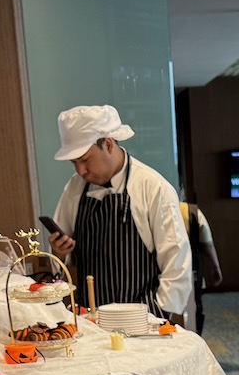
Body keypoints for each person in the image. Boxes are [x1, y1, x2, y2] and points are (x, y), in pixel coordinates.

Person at [48, 105, 191, 323]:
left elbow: (177, 263)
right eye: (74, 163)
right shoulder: (75, 188)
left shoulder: (153, 187)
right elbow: (60, 260)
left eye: (85, 160)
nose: (80, 171)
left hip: (143, 322)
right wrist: (58, 252)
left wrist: (158, 314)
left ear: (108, 144)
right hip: (91, 321)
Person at [179, 199, 223, 335]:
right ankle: (194, 337)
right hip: (190, 273)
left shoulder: (153, 209)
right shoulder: (191, 212)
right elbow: (207, 243)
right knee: (193, 312)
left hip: (159, 276)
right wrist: (215, 267)